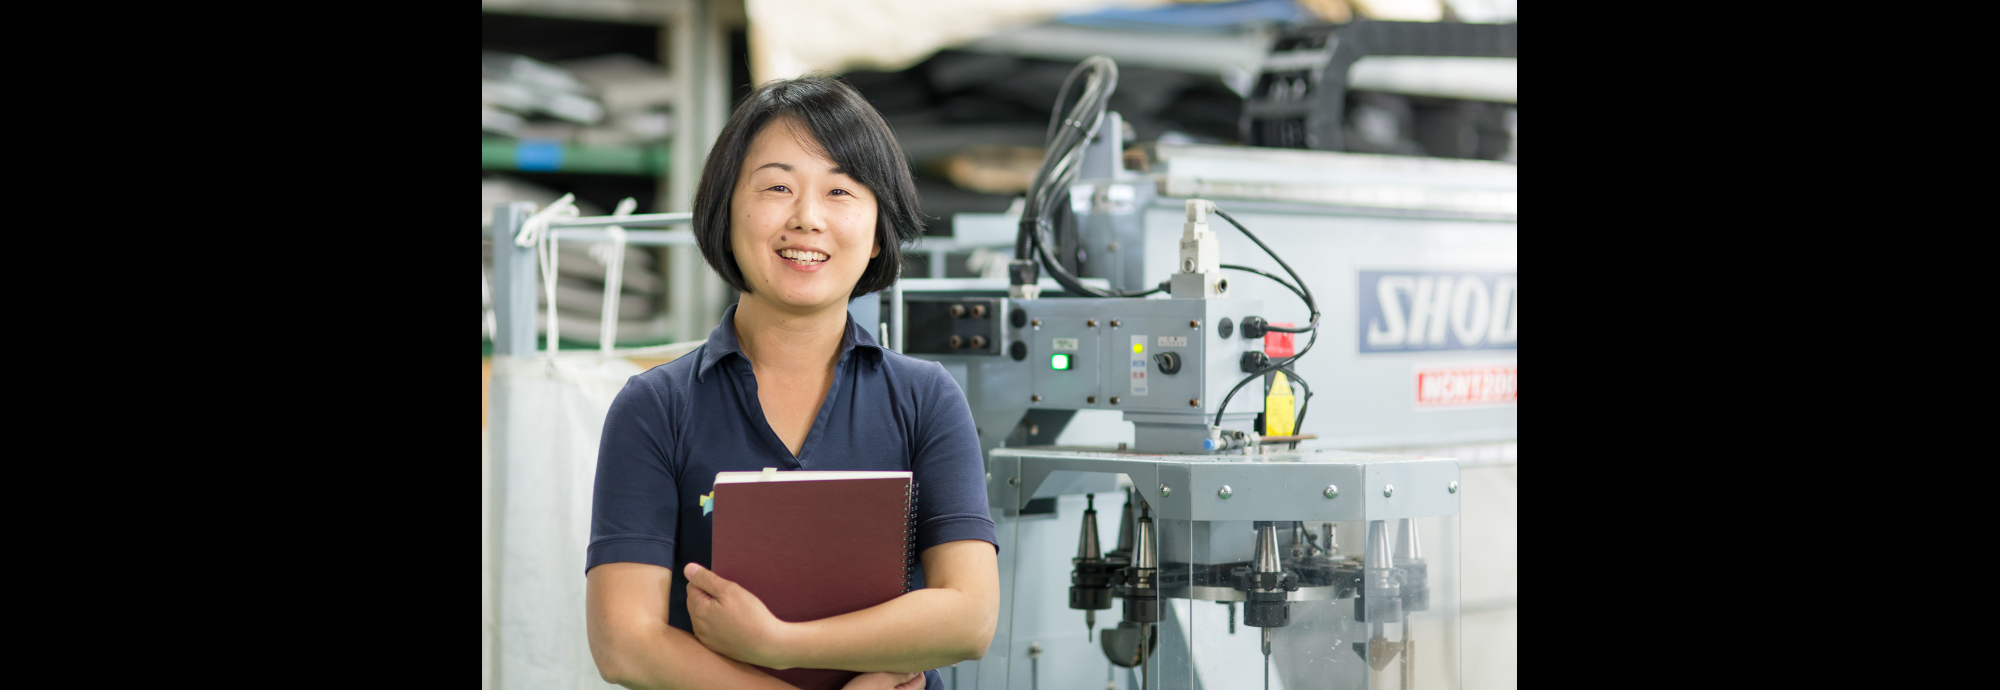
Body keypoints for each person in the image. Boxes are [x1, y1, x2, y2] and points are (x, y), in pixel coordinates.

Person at [583, 74, 999, 690]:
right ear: (725, 209)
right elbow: (626, 642)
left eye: (840, 191)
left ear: (880, 224)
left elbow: (968, 619)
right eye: (777, 187)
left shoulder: (924, 397)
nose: (807, 218)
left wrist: (780, 644)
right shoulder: (655, 407)